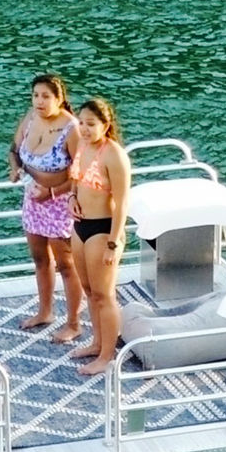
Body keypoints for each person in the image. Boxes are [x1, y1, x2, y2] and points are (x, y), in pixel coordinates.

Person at [8, 74, 85, 342]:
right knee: (40, 258)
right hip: (33, 200)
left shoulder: (71, 128)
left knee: (66, 263)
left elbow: (80, 173)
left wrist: (52, 191)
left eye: (45, 96)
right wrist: (15, 168)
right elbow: (14, 149)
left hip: (61, 203)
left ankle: (74, 322)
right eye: (36, 95)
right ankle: (45, 312)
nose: (39, 101)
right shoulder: (31, 118)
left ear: (59, 98)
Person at [67, 96, 133, 377]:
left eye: (91, 124)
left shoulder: (114, 154)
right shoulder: (82, 145)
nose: (84, 128)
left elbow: (122, 202)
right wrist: (71, 195)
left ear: (105, 126)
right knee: (89, 290)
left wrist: (113, 242)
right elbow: (76, 178)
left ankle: (108, 356)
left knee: (105, 295)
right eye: (81, 123)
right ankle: (97, 342)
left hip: (103, 228)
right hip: (80, 227)